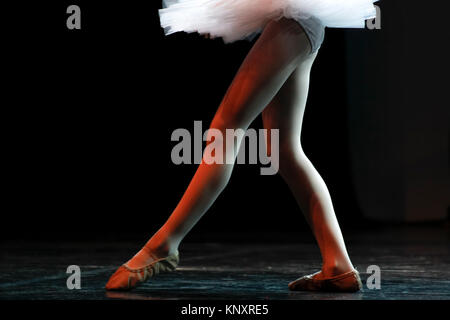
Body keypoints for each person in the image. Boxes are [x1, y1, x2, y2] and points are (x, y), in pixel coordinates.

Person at [105, 0, 377, 292]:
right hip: (302, 22)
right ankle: (337, 265)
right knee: (283, 150)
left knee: (224, 131)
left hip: (295, 19)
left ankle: (162, 246)